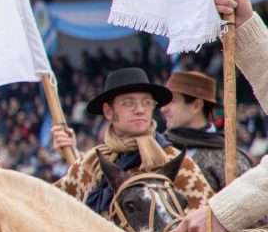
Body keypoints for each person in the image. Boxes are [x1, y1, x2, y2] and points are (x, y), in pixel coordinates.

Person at [178, 0, 268, 232]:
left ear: (196, 106)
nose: (163, 110)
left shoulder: (222, 154)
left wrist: (225, 212)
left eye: (168, 101)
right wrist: (245, 26)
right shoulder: (157, 153)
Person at [51, 67, 212, 217]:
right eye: (129, 103)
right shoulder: (88, 165)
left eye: (147, 102)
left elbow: (204, 229)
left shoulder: (179, 166)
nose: (140, 109)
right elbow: (47, 206)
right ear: (108, 111)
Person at [161, 69, 251, 192]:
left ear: (196, 105)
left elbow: (247, 206)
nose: (163, 109)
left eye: (172, 101)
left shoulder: (228, 158)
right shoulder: (158, 149)